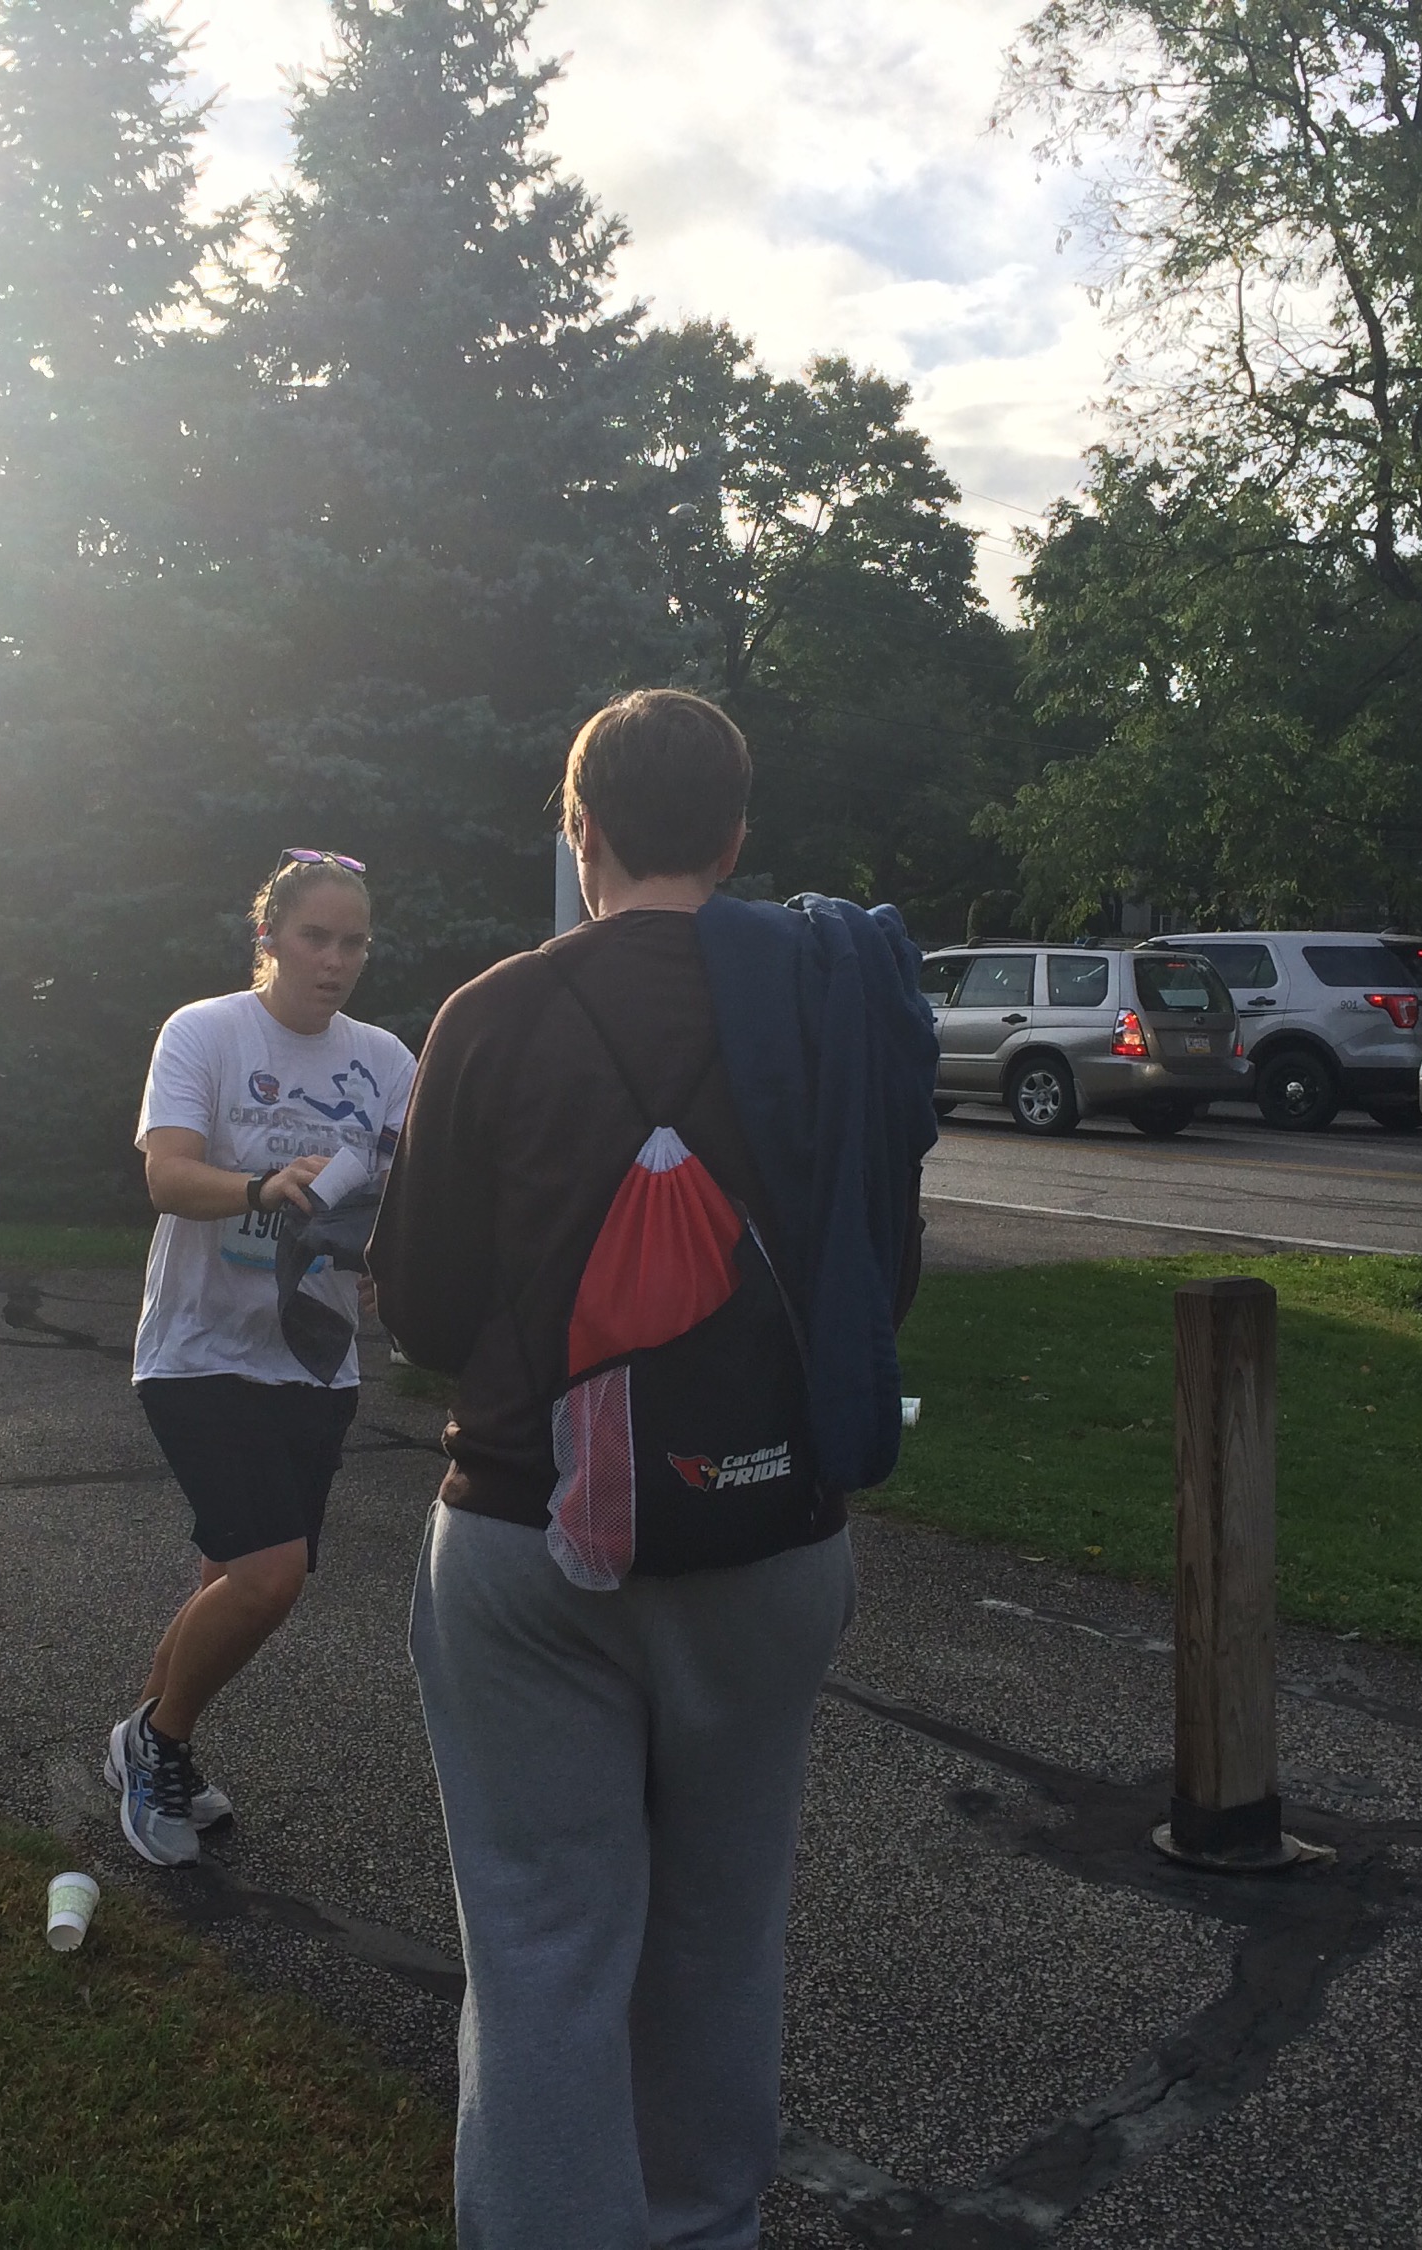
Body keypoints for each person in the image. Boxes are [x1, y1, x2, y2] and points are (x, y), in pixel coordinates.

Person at [370, 690, 936, 2250]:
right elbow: (881, 1278)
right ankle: (702, 2225)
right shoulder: (824, 1004)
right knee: (720, 1932)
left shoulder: (492, 1013)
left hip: (528, 1538)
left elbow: (424, 1311)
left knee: (543, 1940)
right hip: (775, 1535)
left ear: (584, 830)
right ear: (736, 837)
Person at [106, 851, 415, 1868]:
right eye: (315, 938)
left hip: (313, 1360)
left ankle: (148, 1736)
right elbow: (168, 1178)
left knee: (229, 1577)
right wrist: (263, 1189)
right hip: (198, 1349)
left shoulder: (387, 1060)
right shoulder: (206, 1032)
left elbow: (403, 1192)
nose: (335, 961)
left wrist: (387, 1261)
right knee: (272, 1577)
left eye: (353, 943)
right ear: (269, 937)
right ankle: (157, 1745)